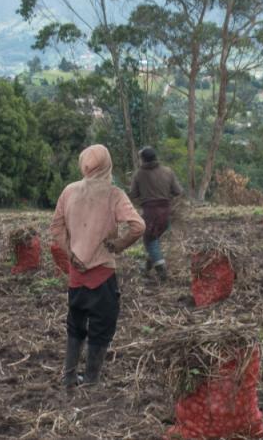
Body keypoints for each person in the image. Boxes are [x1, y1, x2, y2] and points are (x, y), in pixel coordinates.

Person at [51, 145, 145, 387]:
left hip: (76, 275)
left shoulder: (69, 191)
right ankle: (91, 378)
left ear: (85, 165)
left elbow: (56, 228)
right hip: (102, 273)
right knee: (102, 326)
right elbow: (138, 226)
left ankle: (69, 375)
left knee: (75, 323)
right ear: (107, 165)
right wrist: (119, 244)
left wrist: (70, 253)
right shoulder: (114, 194)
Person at [128, 146, 182, 282]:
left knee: (150, 240)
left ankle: (161, 269)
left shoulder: (139, 174)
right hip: (166, 213)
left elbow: (133, 194)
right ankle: (146, 268)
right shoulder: (168, 171)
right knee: (154, 239)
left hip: (150, 213)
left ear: (143, 160)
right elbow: (177, 191)